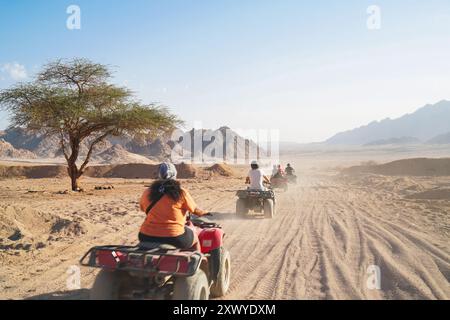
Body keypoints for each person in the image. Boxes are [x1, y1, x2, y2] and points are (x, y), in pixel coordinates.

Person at [138, 162, 209, 251]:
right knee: (195, 238)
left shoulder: (148, 192)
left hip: (146, 236)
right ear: (175, 175)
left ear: (159, 175)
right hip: (174, 237)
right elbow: (194, 210)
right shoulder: (181, 192)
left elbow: (142, 208)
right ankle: (198, 260)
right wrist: (205, 212)